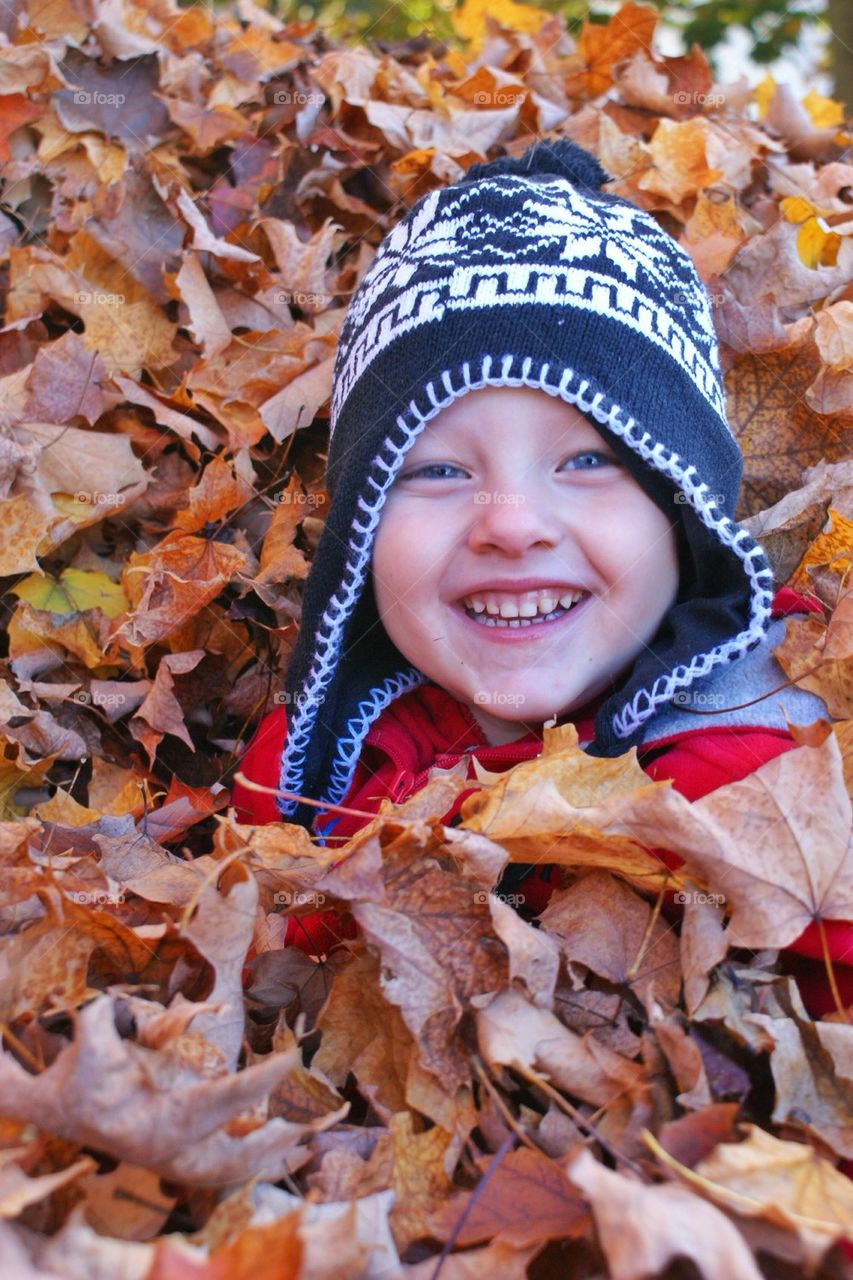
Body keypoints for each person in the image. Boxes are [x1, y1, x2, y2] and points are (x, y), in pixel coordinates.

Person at [232, 136, 851, 1020]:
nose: (511, 523)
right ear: (360, 527)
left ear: (684, 514)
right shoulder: (312, 759)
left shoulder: (753, 783)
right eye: (437, 471)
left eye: (587, 461)